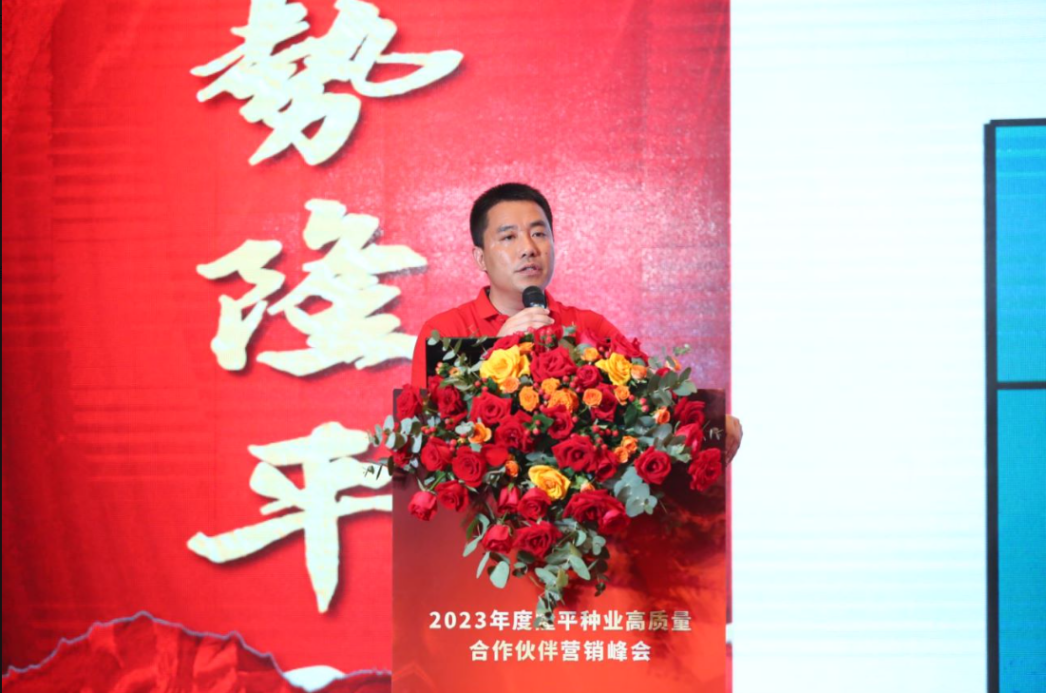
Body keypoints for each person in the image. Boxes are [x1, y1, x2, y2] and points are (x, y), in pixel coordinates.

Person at [410, 182, 741, 462]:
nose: (528, 248)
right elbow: (426, 436)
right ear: (480, 257)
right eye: (509, 237)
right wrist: (495, 352)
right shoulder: (445, 333)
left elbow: (650, 400)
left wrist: (711, 423)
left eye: (539, 233)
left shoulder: (588, 327)